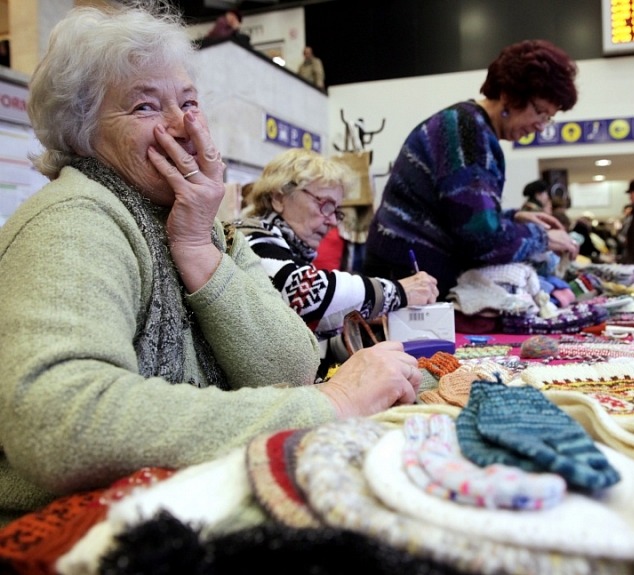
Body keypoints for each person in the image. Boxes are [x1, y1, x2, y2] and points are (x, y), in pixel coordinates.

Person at [0, 1, 421, 526]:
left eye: (189, 101)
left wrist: (200, 249)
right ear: (81, 132)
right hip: (83, 534)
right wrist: (329, 404)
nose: (181, 125)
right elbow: (59, 422)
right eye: (145, 107)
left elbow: (290, 364)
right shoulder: (75, 218)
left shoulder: (200, 221)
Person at [363, 40, 579, 300]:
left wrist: (514, 218)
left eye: (548, 118)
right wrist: (542, 238)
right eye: (540, 112)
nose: (541, 126)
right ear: (510, 94)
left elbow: (457, 214)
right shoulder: (466, 133)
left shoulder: (471, 129)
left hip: (412, 279)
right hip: (404, 283)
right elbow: (482, 240)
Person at [236, 148, 438, 371]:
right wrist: (398, 292)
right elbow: (308, 294)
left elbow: (309, 343)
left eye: (336, 211)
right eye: (325, 205)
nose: (332, 221)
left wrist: (359, 328)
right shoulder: (250, 238)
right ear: (278, 198)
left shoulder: (289, 249)